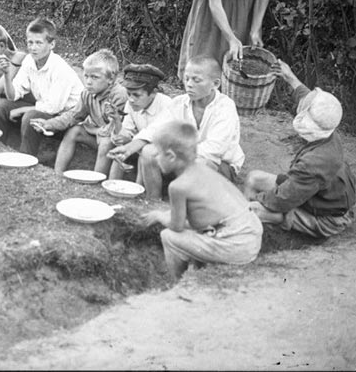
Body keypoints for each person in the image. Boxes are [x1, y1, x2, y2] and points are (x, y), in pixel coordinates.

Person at [243, 60, 356, 238]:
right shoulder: (328, 128)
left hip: (329, 220)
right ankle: (256, 228)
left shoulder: (313, 163)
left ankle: (253, 235)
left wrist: (256, 201)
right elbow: (310, 100)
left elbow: (282, 200)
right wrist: (289, 76)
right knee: (253, 178)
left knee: (251, 210)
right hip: (320, 197)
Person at [141, 121, 263, 280]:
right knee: (195, 230)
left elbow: (176, 227)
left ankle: (177, 283)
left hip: (236, 244)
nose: (155, 159)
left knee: (169, 236)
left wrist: (159, 215)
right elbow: (201, 218)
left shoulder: (178, 186)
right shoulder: (204, 170)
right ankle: (199, 271)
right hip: (250, 235)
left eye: (157, 154)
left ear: (170, 156)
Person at [128, 56, 245, 200]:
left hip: (221, 166)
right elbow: (158, 128)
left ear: (215, 84)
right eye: (187, 78)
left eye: (196, 80)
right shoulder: (179, 103)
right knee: (148, 151)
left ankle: (192, 213)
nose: (189, 84)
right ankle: (153, 200)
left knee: (201, 162)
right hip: (186, 157)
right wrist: (132, 146)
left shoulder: (225, 107)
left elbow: (215, 149)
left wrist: (177, 154)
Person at [0, 18, 84, 158]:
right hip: (47, 109)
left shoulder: (60, 69)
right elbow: (13, 95)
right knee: (0, 106)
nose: (33, 48)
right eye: (30, 42)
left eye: (39, 43)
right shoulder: (29, 60)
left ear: (51, 44)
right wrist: (7, 75)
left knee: (31, 116)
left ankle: (25, 158)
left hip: (66, 118)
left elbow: (53, 108)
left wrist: (22, 109)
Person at [32, 49, 127, 175]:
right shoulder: (87, 93)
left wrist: (93, 130)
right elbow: (73, 116)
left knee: (105, 141)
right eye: (86, 76)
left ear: (111, 79)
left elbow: (111, 129)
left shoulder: (119, 95)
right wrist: (49, 124)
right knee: (74, 130)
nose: (88, 81)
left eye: (94, 77)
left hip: (119, 142)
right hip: (98, 135)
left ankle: (97, 179)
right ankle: (58, 174)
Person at [107, 64, 174, 181]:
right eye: (128, 94)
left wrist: (131, 144)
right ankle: (111, 184)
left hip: (167, 154)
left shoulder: (167, 105)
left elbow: (154, 133)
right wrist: (118, 128)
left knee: (146, 149)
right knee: (123, 147)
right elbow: (127, 132)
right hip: (142, 147)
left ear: (153, 92)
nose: (131, 99)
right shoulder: (131, 104)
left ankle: (139, 189)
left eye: (137, 95)